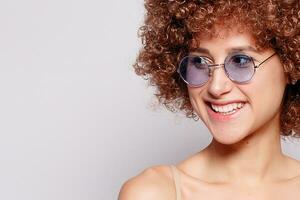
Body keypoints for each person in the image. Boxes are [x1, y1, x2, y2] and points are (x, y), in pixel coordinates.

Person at [119, 0, 300, 199]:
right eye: (199, 62)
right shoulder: (156, 193)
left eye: (241, 61)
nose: (216, 87)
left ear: (289, 64)